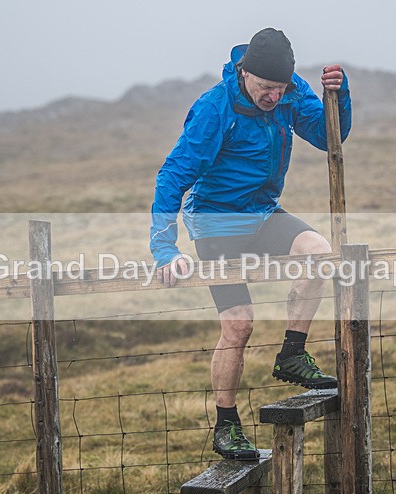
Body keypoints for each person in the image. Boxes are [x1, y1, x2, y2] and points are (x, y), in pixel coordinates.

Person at [150, 28, 352, 460]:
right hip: (216, 224)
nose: (273, 97)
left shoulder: (292, 92)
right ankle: (226, 426)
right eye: (265, 88)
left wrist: (339, 96)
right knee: (239, 324)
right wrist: (165, 249)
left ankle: (293, 355)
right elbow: (172, 178)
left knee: (318, 253)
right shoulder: (213, 109)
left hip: (261, 213)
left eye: (279, 88)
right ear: (243, 73)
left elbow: (328, 137)